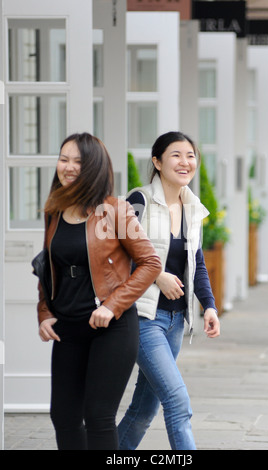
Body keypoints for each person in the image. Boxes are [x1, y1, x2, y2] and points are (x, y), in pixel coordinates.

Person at [36, 132, 162, 450]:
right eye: (64, 159)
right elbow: (47, 267)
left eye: (78, 161)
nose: (68, 167)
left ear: (93, 166)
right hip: (68, 327)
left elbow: (150, 263)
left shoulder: (115, 210)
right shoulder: (54, 211)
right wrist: (45, 312)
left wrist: (112, 305)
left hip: (111, 327)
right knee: (62, 416)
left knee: (98, 416)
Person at [118, 131, 220, 450]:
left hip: (175, 322)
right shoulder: (139, 200)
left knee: (142, 410)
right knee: (178, 403)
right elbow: (115, 257)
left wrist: (210, 306)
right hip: (143, 319)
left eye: (190, 155)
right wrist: (156, 274)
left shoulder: (193, 209)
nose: (184, 161)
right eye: (175, 155)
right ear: (157, 162)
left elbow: (197, 263)